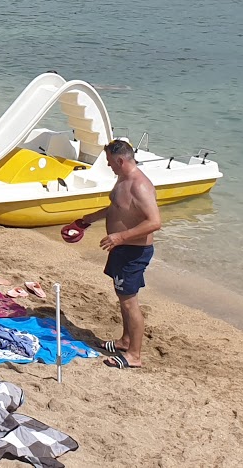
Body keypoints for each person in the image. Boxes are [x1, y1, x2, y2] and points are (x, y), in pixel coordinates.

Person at [62, 139, 162, 370]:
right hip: (122, 249)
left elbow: (155, 222)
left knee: (129, 302)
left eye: (109, 162)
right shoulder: (123, 180)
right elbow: (117, 207)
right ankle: (126, 341)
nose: (109, 166)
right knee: (122, 296)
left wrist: (120, 237)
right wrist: (86, 220)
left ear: (120, 160)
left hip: (133, 251)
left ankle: (135, 356)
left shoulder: (140, 185)